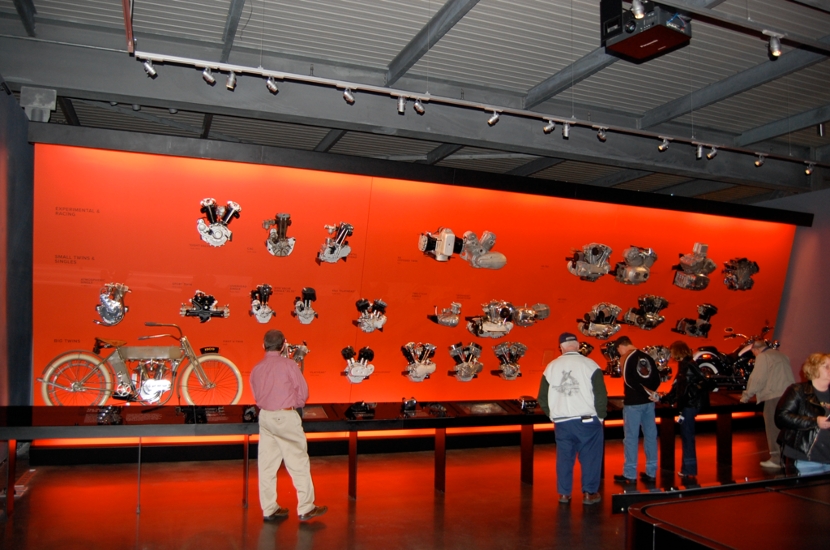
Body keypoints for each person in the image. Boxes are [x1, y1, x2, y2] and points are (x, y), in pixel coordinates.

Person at [250, 329, 327, 522]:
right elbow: (303, 391)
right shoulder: (289, 365)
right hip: (285, 416)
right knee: (298, 462)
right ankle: (306, 507)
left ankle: (269, 509)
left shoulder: (257, 368)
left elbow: (256, 395)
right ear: (284, 344)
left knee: (267, 466)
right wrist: (297, 405)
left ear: (263, 345)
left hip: (266, 417)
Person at [537, 332, 608, 505]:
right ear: (578, 345)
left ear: (561, 348)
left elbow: (542, 397)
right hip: (587, 420)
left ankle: (564, 493)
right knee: (590, 458)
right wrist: (600, 416)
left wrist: (552, 415)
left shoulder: (551, 367)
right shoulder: (591, 364)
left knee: (564, 458)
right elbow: (600, 394)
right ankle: (589, 493)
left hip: (562, 422)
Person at [660, 341, 712, 479]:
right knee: (687, 437)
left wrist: (681, 397)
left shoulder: (687, 366)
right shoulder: (687, 364)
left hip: (690, 406)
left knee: (687, 437)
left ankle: (689, 469)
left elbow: (701, 383)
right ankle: (688, 469)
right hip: (690, 405)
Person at [613, 335, 661, 484]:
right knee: (651, 437)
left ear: (621, 346)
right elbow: (657, 378)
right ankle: (651, 471)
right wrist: (652, 393)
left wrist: (646, 392)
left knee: (631, 439)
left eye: (618, 350)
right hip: (649, 403)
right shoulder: (647, 357)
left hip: (633, 404)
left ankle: (630, 473)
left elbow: (630, 381)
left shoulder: (627, 358)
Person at [740, 340, 795, 468]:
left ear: (755, 350)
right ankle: (789, 457)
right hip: (789, 395)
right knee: (785, 427)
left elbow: (757, 379)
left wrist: (746, 396)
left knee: (772, 426)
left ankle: (776, 459)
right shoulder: (781, 355)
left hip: (774, 396)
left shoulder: (763, 357)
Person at [775, 353, 830, 475]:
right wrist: (815, 421)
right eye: (826, 366)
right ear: (813, 369)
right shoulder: (798, 390)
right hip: (806, 458)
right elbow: (781, 417)